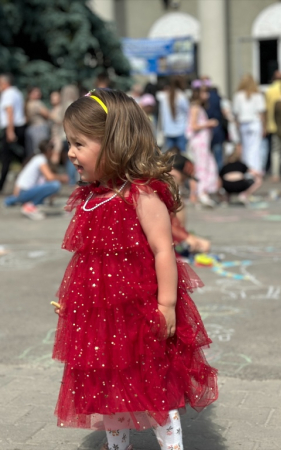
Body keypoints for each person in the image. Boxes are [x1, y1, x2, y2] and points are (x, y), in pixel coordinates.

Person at [52, 89, 218, 450]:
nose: (70, 153)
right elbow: (86, 259)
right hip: (102, 316)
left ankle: (171, 445)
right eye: (70, 143)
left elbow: (164, 251)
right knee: (108, 385)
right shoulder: (92, 198)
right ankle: (118, 445)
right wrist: (74, 301)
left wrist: (168, 304)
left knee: (155, 381)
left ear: (114, 143)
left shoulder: (140, 196)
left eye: (79, 144)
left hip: (141, 312)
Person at [4, 140, 68, 220]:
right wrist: (62, 178)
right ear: (48, 150)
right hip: (23, 191)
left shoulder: (37, 158)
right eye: (52, 150)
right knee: (55, 185)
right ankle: (30, 206)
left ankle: (10, 200)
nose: (53, 152)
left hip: (21, 191)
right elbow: (50, 177)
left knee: (48, 188)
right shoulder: (41, 159)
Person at [0, 74, 26, 193]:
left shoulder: (7, 94)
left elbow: (10, 111)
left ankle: (0, 185)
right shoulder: (16, 92)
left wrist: (10, 131)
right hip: (18, 127)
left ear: (5, 83)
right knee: (20, 156)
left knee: (6, 158)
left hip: (11, 127)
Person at [187, 84, 220, 207]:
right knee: (202, 167)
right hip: (199, 142)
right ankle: (201, 193)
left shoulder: (199, 108)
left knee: (208, 166)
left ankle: (202, 192)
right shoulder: (195, 108)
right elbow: (193, 125)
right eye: (204, 92)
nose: (207, 95)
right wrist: (208, 123)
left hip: (203, 142)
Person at [233, 74, 266, 194]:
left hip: (243, 123)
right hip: (255, 122)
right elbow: (261, 113)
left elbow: (236, 113)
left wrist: (237, 126)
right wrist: (264, 127)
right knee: (255, 149)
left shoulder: (238, 95)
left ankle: (248, 172)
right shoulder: (257, 95)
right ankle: (255, 172)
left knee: (246, 149)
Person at [157, 76, 190, 152]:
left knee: (170, 158)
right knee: (182, 157)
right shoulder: (182, 96)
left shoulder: (164, 96)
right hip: (181, 130)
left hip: (168, 130)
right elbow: (188, 112)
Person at [264, 70, 281, 172]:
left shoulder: (269, 90)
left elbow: (266, 109)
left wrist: (264, 125)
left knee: (272, 149)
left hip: (272, 123)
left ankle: (270, 169)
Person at [24, 86, 51, 158]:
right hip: (39, 129)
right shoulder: (36, 103)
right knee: (41, 149)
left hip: (31, 129)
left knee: (33, 150)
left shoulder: (27, 104)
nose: (38, 93)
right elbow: (47, 114)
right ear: (30, 94)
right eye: (36, 92)